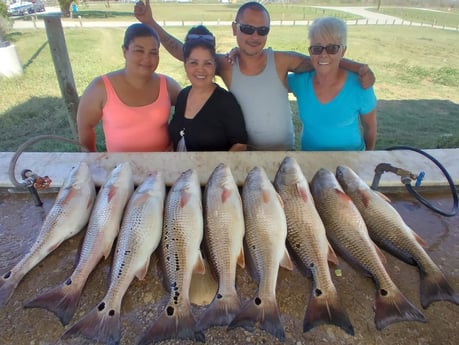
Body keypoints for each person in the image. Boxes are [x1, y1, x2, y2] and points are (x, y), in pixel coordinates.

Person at [134, 1, 374, 151]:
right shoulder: (226, 64)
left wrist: (359, 68)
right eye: (247, 28)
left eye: (262, 30)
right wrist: (151, 23)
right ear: (234, 28)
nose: (254, 36)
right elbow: (184, 52)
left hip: (283, 154)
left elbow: (321, 57)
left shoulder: (281, 60)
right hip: (244, 151)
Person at [77, 23, 181, 152]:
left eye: (153, 52)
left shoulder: (168, 85)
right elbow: (85, 126)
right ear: (125, 51)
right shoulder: (100, 87)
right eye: (139, 51)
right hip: (120, 168)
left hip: (163, 164)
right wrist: (93, 160)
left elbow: (193, 106)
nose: (147, 58)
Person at [288, 17, 377, 151]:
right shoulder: (300, 81)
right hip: (310, 160)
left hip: (351, 160)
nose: (323, 54)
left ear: (343, 51)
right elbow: (274, 75)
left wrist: (369, 156)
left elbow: (370, 127)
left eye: (332, 48)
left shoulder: (360, 86)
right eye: (317, 49)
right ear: (310, 52)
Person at [169, 26, 248, 151]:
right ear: (185, 65)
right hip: (182, 169)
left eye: (207, 63)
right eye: (194, 62)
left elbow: (240, 145)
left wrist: (217, 169)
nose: (200, 69)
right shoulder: (183, 95)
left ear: (215, 65)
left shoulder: (225, 101)